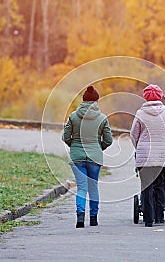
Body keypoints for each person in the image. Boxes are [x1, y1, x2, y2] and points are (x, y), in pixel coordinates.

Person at [62, 86, 113, 228]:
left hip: (77, 157)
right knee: (93, 187)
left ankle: (80, 217)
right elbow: (108, 140)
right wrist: (98, 147)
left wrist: (74, 146)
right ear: (96, 101)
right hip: (95, 158)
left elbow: (65, 136)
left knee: (82, 188)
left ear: (83, 100)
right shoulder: (102, 118)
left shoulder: (73, 116)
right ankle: (93, 218)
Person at [130, 84, 165, 227]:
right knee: (160, 186)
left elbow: (134, 134)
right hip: (161, 155)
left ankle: (148, 220)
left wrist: (139, 147)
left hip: (144, 156)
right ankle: (159, 217)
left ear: (146, 96)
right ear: (160, 96)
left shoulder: (140, 113)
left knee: (146, 188)